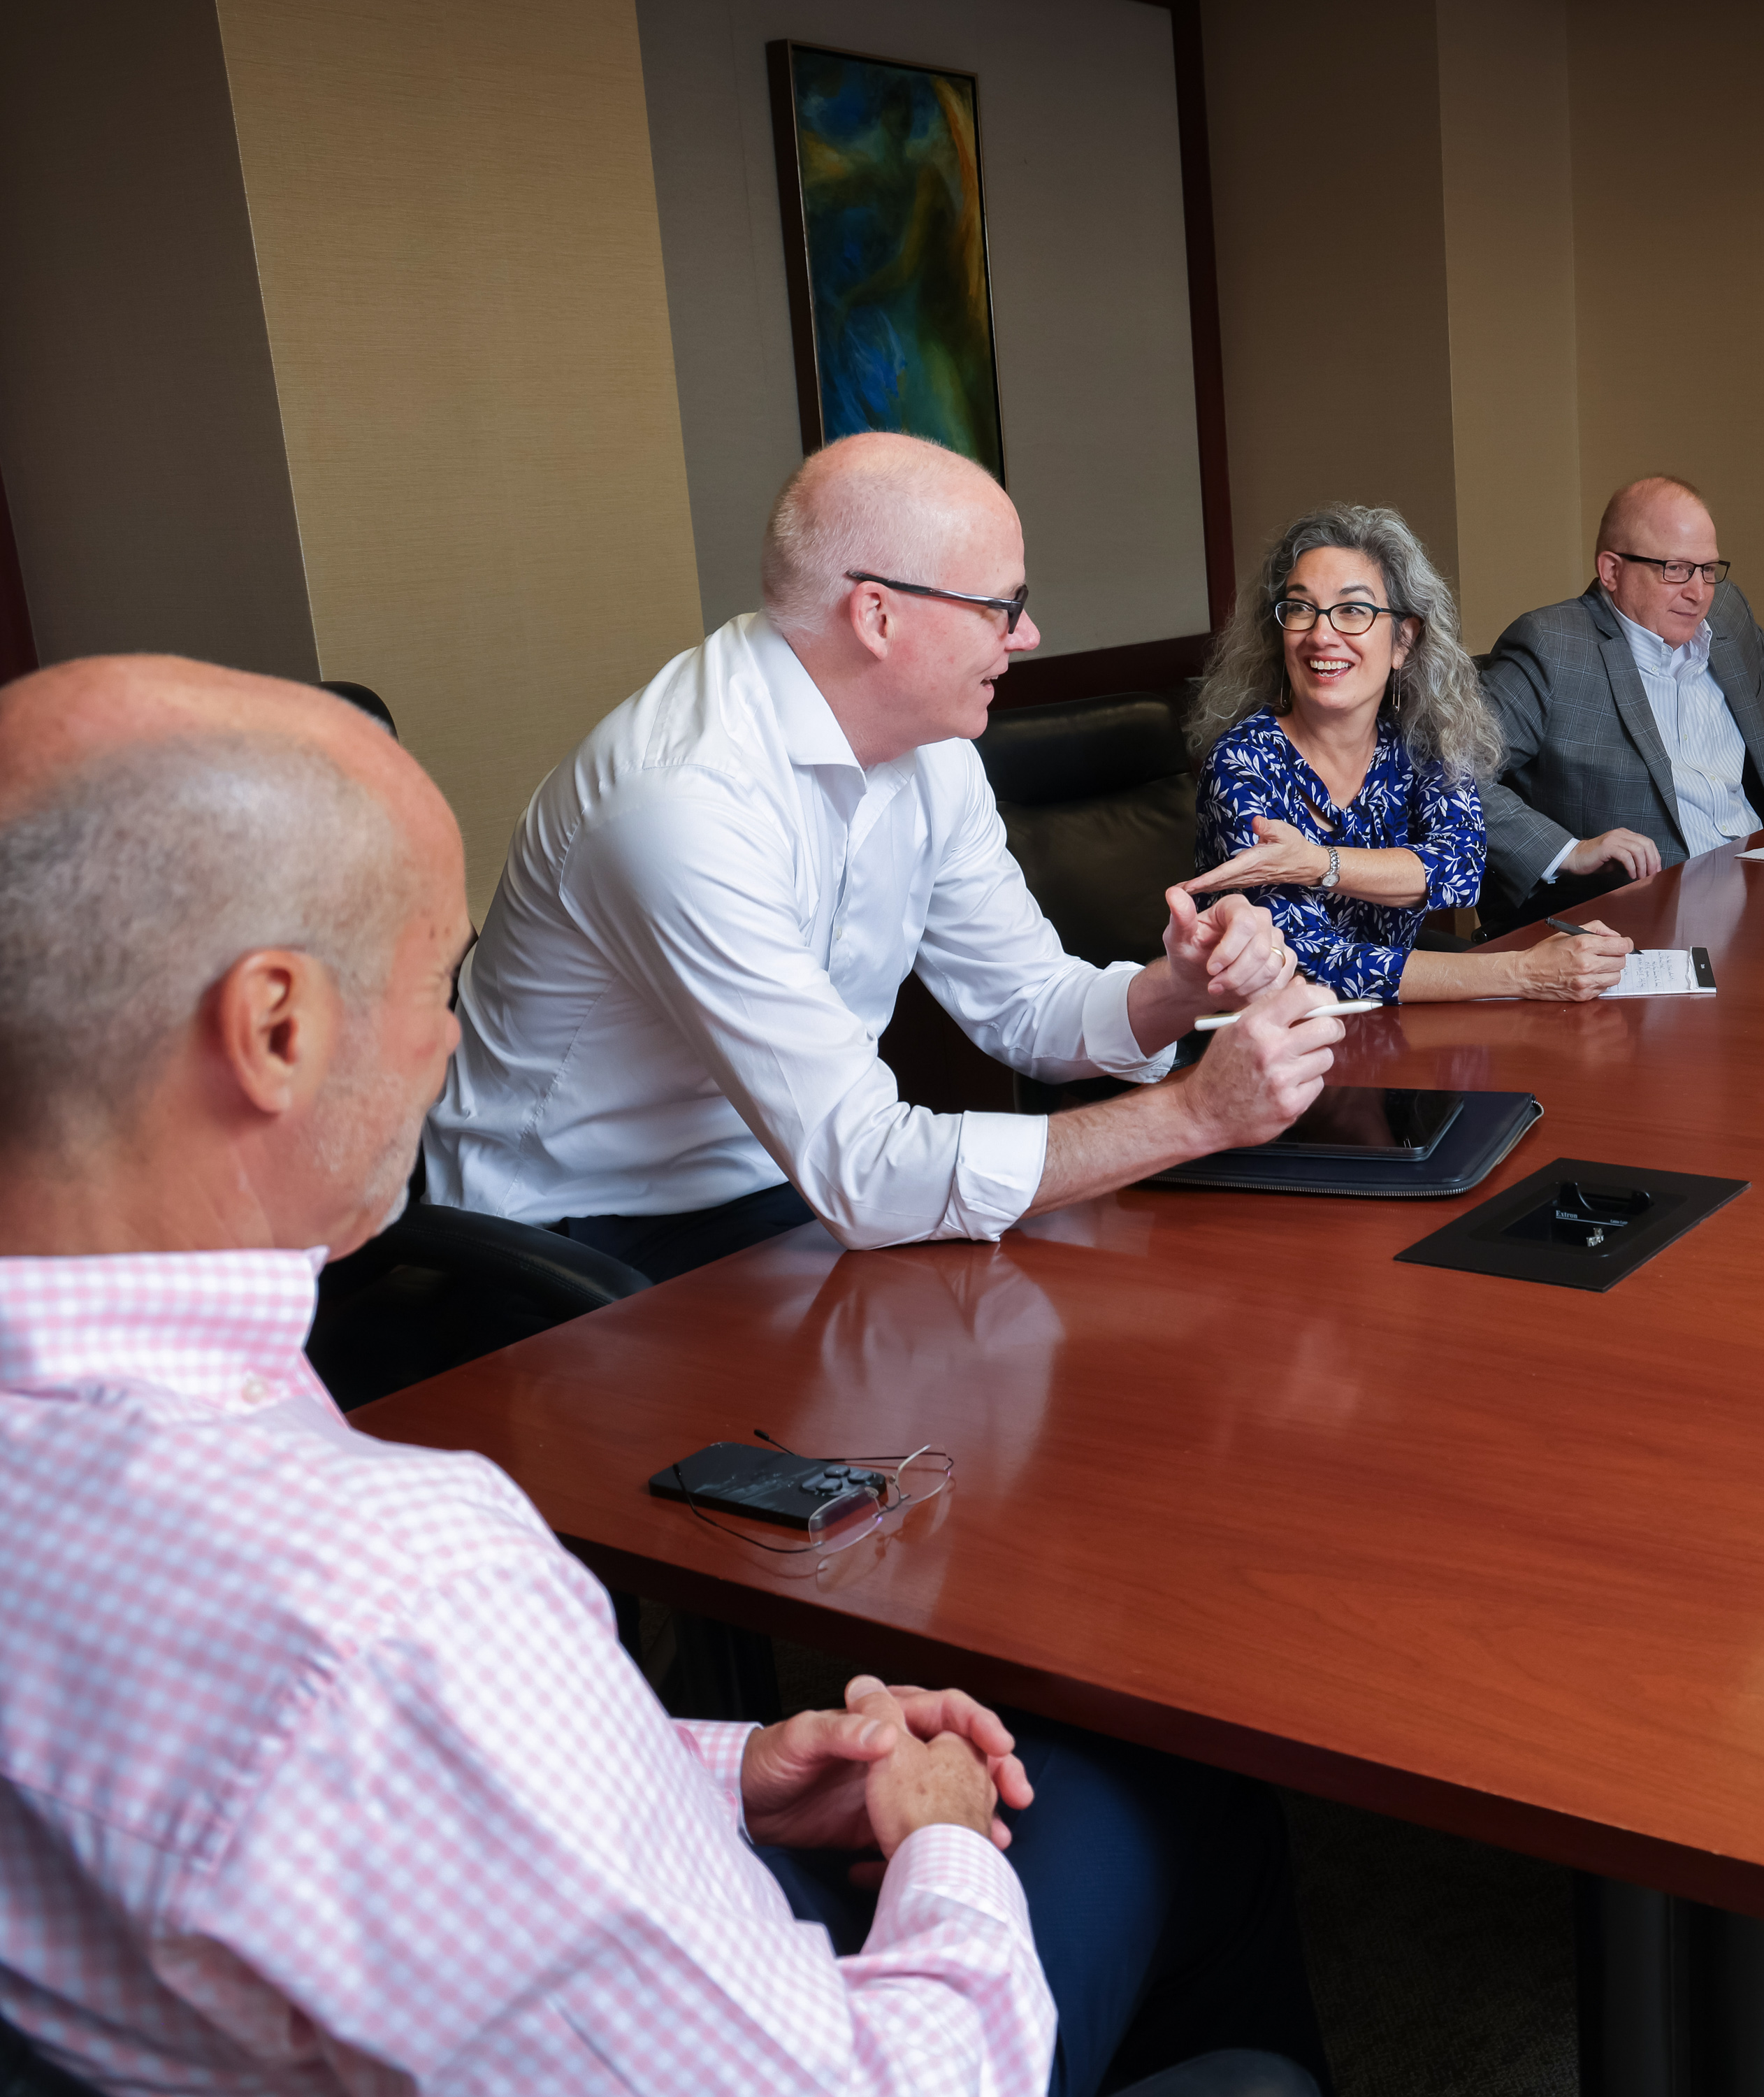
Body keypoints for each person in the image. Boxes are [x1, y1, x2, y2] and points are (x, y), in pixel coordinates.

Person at [0, 656, 1325, 2097]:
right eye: (436, 977)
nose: (453, 1037)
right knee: (1169, 1779)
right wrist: (939, 1834)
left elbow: (339, 1790)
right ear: (276, 1030)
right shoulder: (398, 1593)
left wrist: (723, 1766)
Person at [424, 434, 1340, 1281]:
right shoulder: (680, 803)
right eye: (1003, 606)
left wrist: (1175, 991)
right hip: (575, 1237)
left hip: (789, 1197)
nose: (1026, 637)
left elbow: (1026, 1005)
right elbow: (865, 1174)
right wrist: (1194, 1114)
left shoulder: (933, 750)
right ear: (877, 615)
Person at [1183, 505, 1631, 1001]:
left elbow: (1460, 870)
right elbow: (1304, 960)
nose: (1321, 634)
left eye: (1352, 610)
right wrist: (1520, 973)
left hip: (1393, 1022)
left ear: (1403, 639)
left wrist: (1316, 863)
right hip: (1275, 1039)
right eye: (1300, 608)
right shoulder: (1242, 765)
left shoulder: (1421, 741)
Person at [1475, 475, 1764, 929]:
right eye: (1675, 570)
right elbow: (1449, 775)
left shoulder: (1726, 613)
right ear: (1612, 571)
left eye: (1708, 569)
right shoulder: (1552, 648)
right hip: (1641, 917)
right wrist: (1568, 852)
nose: (1698, 593)